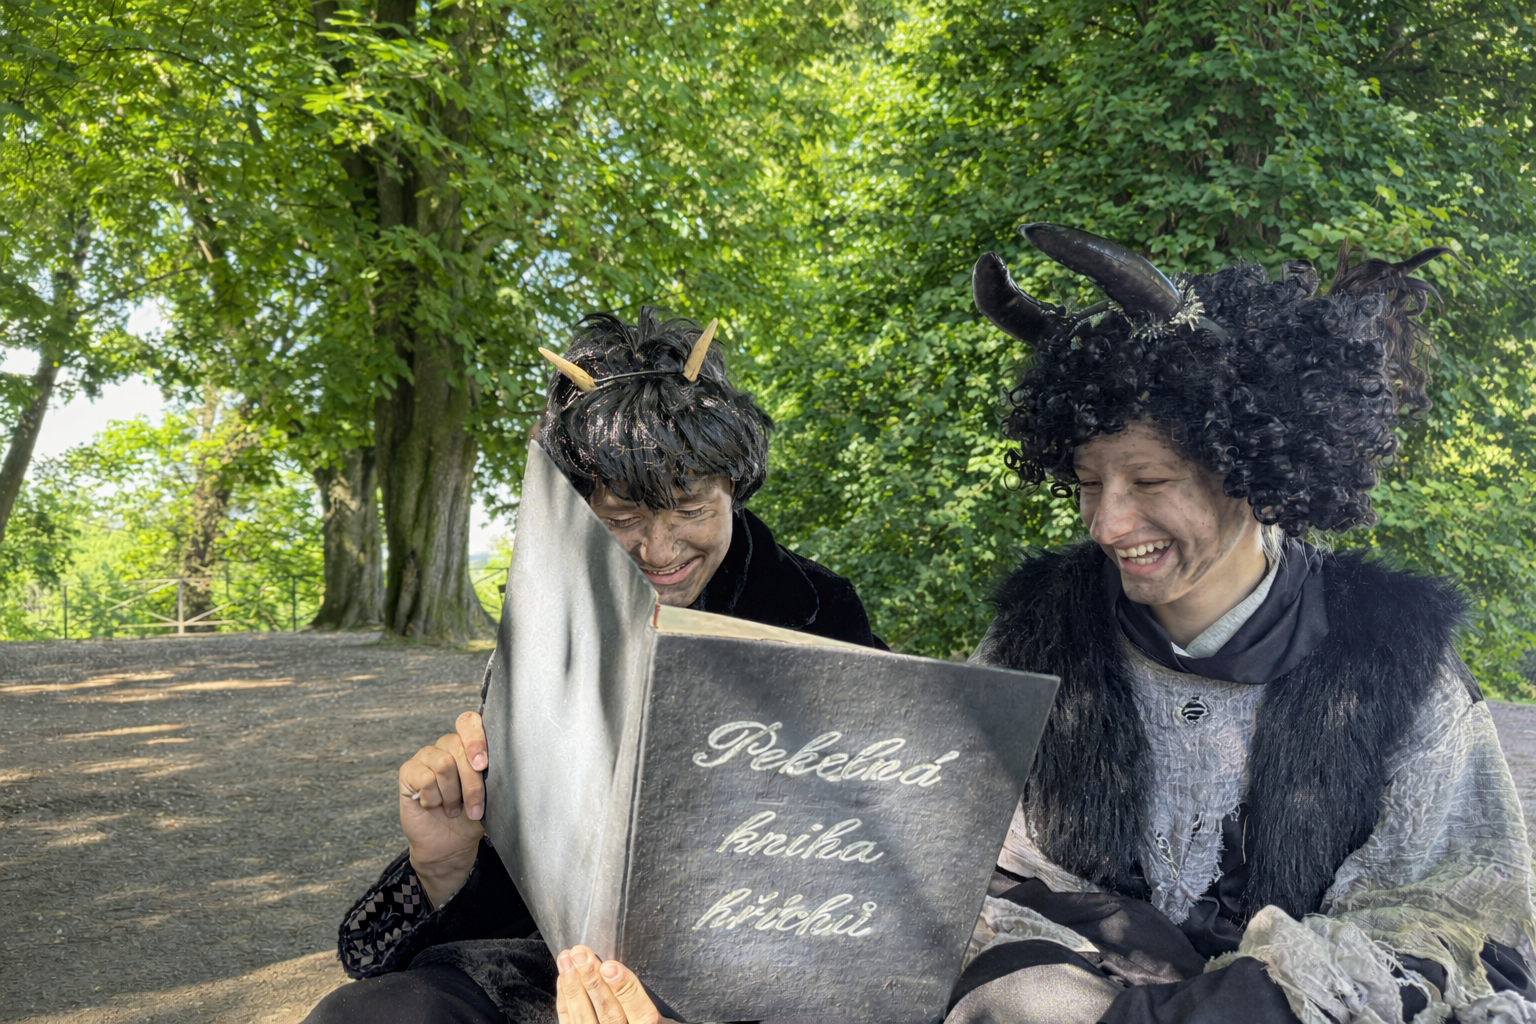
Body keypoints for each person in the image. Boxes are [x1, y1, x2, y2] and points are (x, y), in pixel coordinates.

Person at [949, 224, 1536, 1023]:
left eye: (1150, 481)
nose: (1107, 523)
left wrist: (1231, 1005)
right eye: (1088, 483)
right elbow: (966, 864)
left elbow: (1457, 910)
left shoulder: (1392, 654)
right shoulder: (1033, 637)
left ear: (1252, 470)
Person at [304, 308, 885, 1024]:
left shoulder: (819, 609)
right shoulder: (550, 615)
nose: (660, 551)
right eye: (622, 520)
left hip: (764, 971)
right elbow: (527, 881)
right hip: (556, 965)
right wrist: (444, 864)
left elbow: (878, 851)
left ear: (734, 485)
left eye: (691, 509)